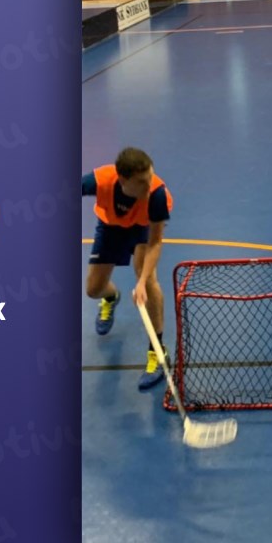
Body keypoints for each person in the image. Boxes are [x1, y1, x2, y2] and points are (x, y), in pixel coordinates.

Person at [82, 147, 173, 390]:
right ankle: (111, 297)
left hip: (143, 229)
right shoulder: (100, 180)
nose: (148, 185)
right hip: (111, 227)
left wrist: (141, 282)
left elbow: (155, 242)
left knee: (149, 281)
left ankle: (157, 351)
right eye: (141, 182)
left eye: (150, 177)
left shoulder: (156, 194)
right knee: (93, 289)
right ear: (123, 180)